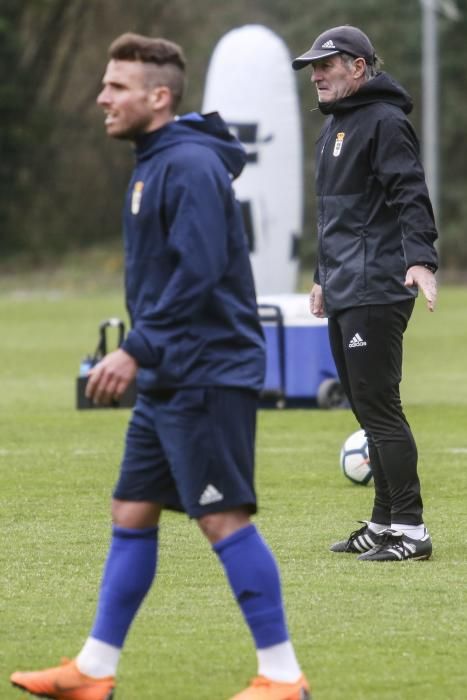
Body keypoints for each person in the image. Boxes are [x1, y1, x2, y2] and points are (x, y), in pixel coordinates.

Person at [10, 33, 310, 700]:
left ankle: (283, 677)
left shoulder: (190, 167)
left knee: (222, 517)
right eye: (104, 85)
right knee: (132, 508)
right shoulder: (154, 161)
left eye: (115, 87)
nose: (101, 99)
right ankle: (93, 670)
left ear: (159, 96)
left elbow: (199, 272)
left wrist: (133, 348)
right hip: (171, 373)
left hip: (205, 371)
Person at [292, 25, 438, 562]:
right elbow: (338, 216)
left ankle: (412, 531)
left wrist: (421, 259)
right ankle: (382, 524)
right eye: (312, 68)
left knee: (379, 408)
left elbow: (410, 196)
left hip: (379, 284)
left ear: (358, 66)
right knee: (364, 407)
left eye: (326, 65)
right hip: (347, 284)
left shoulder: (385, 122)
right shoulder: (336, 128)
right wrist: (321, 274)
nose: (317, 75)